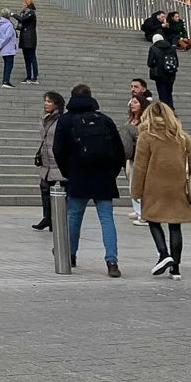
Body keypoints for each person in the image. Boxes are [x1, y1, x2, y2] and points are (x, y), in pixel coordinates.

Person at [52, 83, 124, 277]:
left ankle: (70, 255)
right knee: (107, 218)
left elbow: (57, 149)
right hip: (103, 175)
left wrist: (68, 171)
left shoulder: (65, 120)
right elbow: (119, 150)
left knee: (74, 216)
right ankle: (112, 261)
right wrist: (112, 172)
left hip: (78, 174)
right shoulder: (104, 120)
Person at [130, 102, 191, 279]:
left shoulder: (146, 136)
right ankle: (175, 268)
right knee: (175, 225)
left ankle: (163, 254)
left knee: (152, 219)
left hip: (154, 186)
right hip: (177, 186)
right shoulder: (181, 136)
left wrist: (136, 191)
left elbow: (139, 167)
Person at [32, 90, 64, 231]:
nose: (46, 103)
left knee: (64, 189)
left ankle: (62, 219)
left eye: (49, 101)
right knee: (45, 187)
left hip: (59, 160)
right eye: (45, 101)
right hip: (46, 160)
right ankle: (47, 218)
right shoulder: (45, 118)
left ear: (56, 104)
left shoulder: (62, 119)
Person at [120, 95, 148, 223]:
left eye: (135, 102)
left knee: (140, 183)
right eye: (132, 102)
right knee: (132, 182)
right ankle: (137, 209)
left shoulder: (145, 120)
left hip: (141, 155)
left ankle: (144, 212)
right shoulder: (130, 120)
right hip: (131, 157)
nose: (132, 104)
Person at [147, 32, 180, 109]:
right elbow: (176, 62)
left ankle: (165, 109)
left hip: (160, 74)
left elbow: (150, 63)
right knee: (169, 91)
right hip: (171, 73)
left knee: (162, 92)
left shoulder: (153, 48)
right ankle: (170, 107)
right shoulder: (171, 48)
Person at [14, 0, 39, 83]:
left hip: (30, 38)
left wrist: (13, 15)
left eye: (24, 3)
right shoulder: (24, 12)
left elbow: (22, 19)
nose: (23, 4)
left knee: (32, 57)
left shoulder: (31, 13)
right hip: (24, 38)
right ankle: (28, 76)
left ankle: (35, 77)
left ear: (28, 3)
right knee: (26, 58)